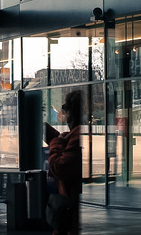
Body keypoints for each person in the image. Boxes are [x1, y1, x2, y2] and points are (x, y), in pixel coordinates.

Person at [47, 90, 85, 235]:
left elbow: (60, 167)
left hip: (69, 210)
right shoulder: (75, 134)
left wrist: (56, 143)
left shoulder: (76, 135)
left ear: (70, 112)